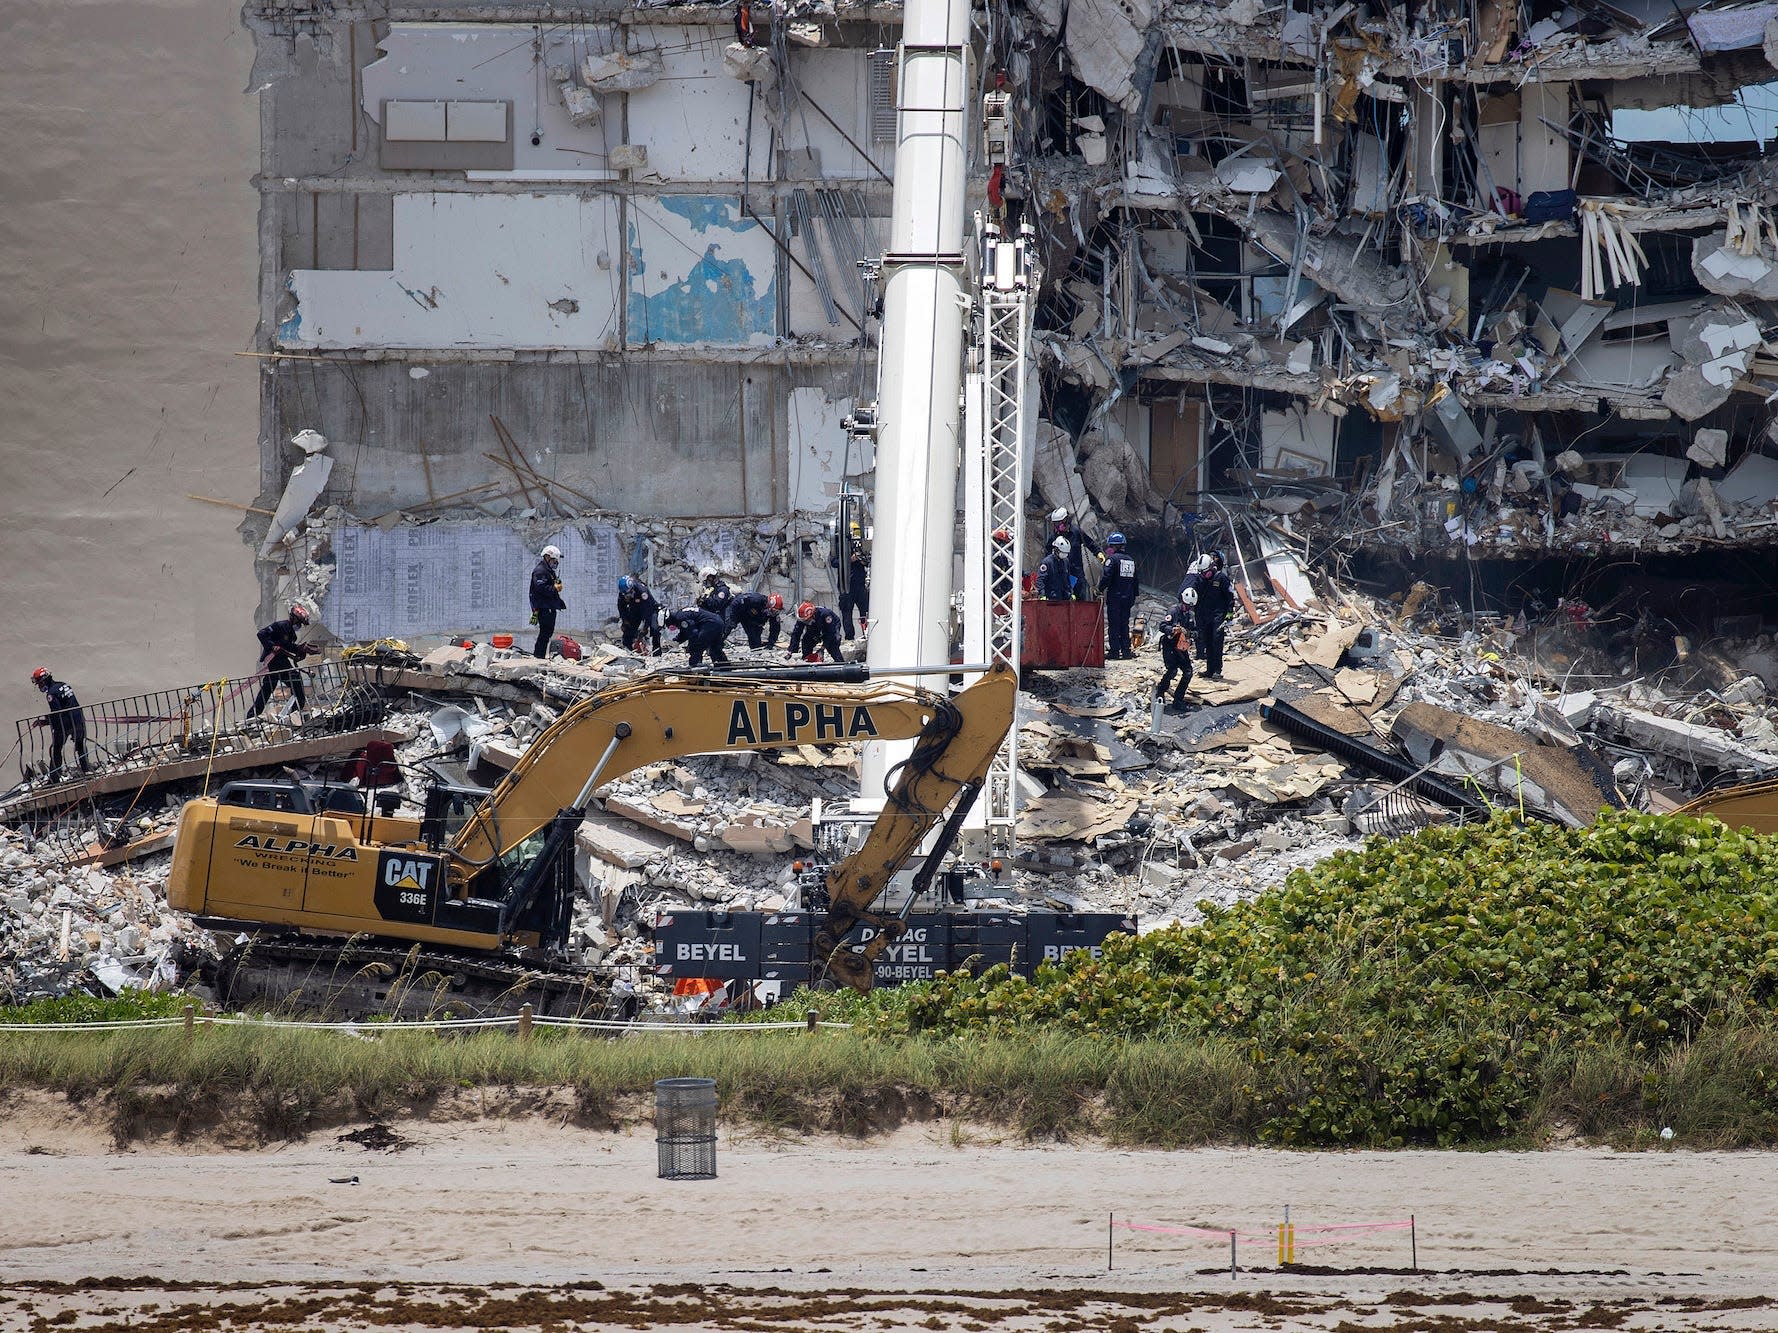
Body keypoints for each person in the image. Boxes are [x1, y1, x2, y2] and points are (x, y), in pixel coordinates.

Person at [247, 604, 316, 721]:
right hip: (275, 661)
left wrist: (301, 649)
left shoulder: (291, 634)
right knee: (296, 681)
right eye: (299, 623)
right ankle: (294, 714)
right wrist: (272, 646)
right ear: (293, 619)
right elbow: (261, 634)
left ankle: (251, 717)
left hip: (281, 662)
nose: (299, 626)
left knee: (267, 689)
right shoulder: (280, 626)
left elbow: (288, 647)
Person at [30, 668, 90, 781]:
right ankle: (87, 770)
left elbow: (57, 713)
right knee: (80, 745)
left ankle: (54, 778)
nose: (39, 687)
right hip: (78, 719)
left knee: (56, 749)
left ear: (45, 680)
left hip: (66, 723)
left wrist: (45, 721)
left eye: (40, 684)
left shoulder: (51, 693)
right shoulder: (63, 685)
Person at [1184, 552, 1234, 679]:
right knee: (1207, 642)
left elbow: (1230, 597)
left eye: (1205, 572)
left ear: (1212, 567)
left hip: (1218, 616)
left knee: (1216, 642)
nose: (1204, 575)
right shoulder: (1200, 579)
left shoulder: (1221, 578)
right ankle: (1209, 670)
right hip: (1203, 616)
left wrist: (1229, 614)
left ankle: (1217, 669)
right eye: (1201, 572)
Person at [1154, 588, 1197, 711]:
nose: (1187, 609)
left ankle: (1178, 700)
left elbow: (1196, 631)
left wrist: (1190, 634)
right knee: (1172, 671)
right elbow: (1162, 626)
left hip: (1182, 647)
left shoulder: (1190, 615)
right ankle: (1160, 691)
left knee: (1188, 672)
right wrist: (1172, 629)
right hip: (1170, 645)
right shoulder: (1173, 611)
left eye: (1189, 607)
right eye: (1186, 606)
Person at [1101, 532, 1139, 660]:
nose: (1109, 549)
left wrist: (1100, 589)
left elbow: (1106, 577)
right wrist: (1135, 595)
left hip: (1115, 597)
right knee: (1124, 624)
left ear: (1115, 546)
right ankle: (1126, 651)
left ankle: (1114, 652)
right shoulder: (1131, 560)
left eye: (1110, 546)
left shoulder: (1112, 560)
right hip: (1128, 598)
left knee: (1114, 625)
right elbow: (1135, 580)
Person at [1050, 507, 1101, 601]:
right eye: (1055, 524)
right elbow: (1048, 552)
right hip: (1060, 572)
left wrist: (1098, 553)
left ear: (1066, 520)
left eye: (1059, 523)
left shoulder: (1076, 532)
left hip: (1076, 572)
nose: (1058, 526)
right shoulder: (1054, 536)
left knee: (1080, 596)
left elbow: (1090, 543)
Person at [833, 523, 871, 639]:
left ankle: (867, 635)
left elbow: (868, 560)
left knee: (865, 612)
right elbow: (834, 562)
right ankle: (849, 638)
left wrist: (862, 557)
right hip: (846, 585)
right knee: (847, 613)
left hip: (860, 585)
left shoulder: (861, 546)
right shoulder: (839, 547)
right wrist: (850, 560)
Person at [529, 544, 566, 659]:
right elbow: (541, 588)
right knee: (545, 633)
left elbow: (549, 584)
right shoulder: (540, 571)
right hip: (544, 606)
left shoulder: (547, 570)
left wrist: (556, 584)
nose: (556, 563)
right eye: (554, 560)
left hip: (548, 605)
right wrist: (554, 588)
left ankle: (539, 655)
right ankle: (538, 656)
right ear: (548, 557)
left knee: (547, 632)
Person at [665, 606, 731, 667]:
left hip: (710, 623)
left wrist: (690, 646)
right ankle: (723, 665)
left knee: (696, 646)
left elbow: (693, 633)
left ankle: (695, 666)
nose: (668, 627)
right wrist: (677, 640)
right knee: (714, 647)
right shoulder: (680, 615)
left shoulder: (680, 618)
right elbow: (685, 631)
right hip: (718, 622)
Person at [616, 576, 661, 655]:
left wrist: (645, 627)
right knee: (629, 627)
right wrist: (624, 620)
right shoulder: (623, 592)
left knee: (654, 628)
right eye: (625, 594)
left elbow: (648, 611)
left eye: (629, 593)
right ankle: (629, 649)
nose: (627, 595)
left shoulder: (642, 592)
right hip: (635, 609)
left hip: (649, 609)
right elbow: (621, 607)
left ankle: (656, 651)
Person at [1035, 535, 1071, 601]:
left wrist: (1070, 593)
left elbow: (1067, 580)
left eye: (1066, 553)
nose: (1064, 555)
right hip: (1050, 598)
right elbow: (1040, 580)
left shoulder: (1066, 561)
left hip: (1063, 599)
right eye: (1062, 553)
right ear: (1056, 549)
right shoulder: (1047, 562)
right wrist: (1042, 594)